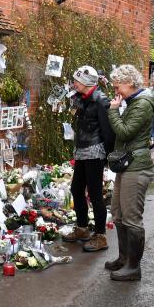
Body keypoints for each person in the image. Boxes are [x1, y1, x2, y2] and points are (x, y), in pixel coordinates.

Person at [103, 64, 154, 281]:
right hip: (128, 165)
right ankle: (124, 258)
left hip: (136, 167)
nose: (116, 91)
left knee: (132, 217)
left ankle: (133, 267)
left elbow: (125, 132)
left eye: (118, 86)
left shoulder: (142, 104)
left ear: (130, 83)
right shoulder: (132, 101)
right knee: (118, 212)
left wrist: (114, 111)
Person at [62, 65, 114, 252]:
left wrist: (106, 155)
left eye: (77, 81)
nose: (74, 83)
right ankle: (82, 228)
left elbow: (108, 131)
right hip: (82, 149)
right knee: (76, 189)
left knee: (94, 193)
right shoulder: (79, 98)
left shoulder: (100, 100)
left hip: (95, 150)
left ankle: (101, 236)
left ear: (87, 83)